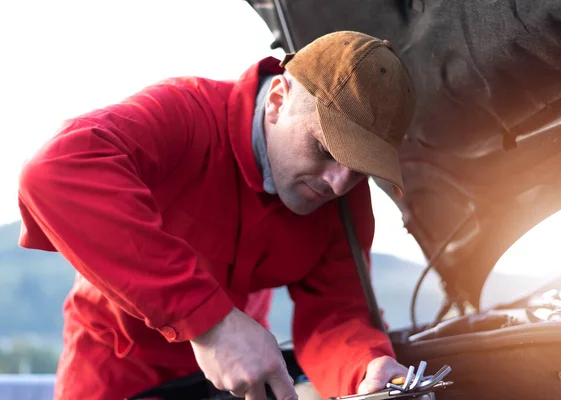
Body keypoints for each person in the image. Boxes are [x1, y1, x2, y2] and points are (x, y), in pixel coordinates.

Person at [17, 30, 416, 400]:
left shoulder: (343, 198)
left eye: (360, 169)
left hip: (236, 383)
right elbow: (55, 169)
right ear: (278, 101)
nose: (338, 183)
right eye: (325, 149)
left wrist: (365, 369)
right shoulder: (185, 116)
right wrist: (210, 322)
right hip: (114, 377)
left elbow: (336, 314)